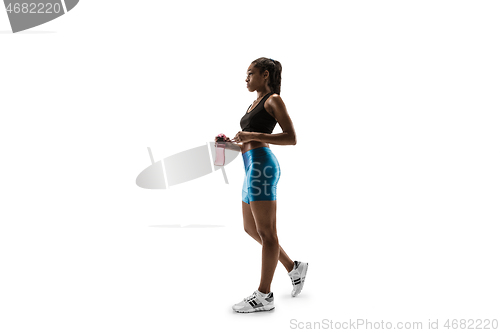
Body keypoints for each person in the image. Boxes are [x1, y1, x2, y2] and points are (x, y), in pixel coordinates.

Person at [217, 57, 308, 313]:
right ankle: (294, 268)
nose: (246, 78)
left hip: (262, 167)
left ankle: (264, 295)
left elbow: (291, 138)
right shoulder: (253, 104)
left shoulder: (273, 100)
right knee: (251, 228)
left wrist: (252, 135)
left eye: (250, 73)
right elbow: (250, 141)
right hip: (250, 166)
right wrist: (230, 145)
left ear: (265, 75)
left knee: (267, 233)